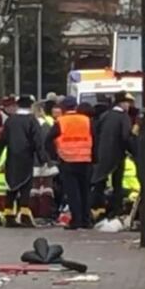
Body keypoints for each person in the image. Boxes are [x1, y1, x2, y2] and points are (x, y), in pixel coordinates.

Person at [0, 94, 45, 227]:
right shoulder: (32, 120)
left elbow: (2, 140)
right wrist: (43, 158)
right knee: (25, 186)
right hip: (26, 157)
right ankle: (24, 214)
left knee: (11, 186)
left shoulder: (10, 120)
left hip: (12, 157)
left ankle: (9, 215)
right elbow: (38, 141)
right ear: (30, 106)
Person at [47, 98, 94, 229]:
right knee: (85, 191)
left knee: (73, 192)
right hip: (85, 160)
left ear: (63, 108)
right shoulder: (86, 120)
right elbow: (95, 138)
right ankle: (86, 220)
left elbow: (48, 139)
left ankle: (76, 220)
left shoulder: (61, 121)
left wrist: (54, 155)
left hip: (67, 160)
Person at [91, 90, 135, 220]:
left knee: (99, 182)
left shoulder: (105, 115)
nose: (128, 106)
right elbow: (126, 137)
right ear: (121, 103)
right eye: (127, 103)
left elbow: (96, 133)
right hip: (117, 155)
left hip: (102, 154)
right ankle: (116, 210)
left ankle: (95, 207)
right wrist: (134, 151)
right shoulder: (123, 117)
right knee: (117, 184)